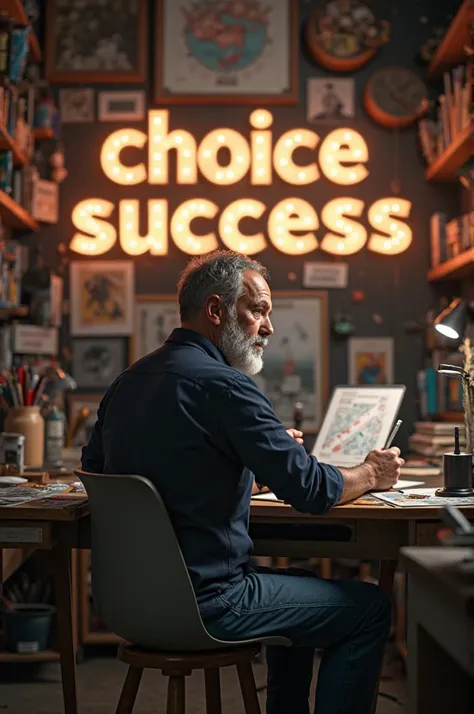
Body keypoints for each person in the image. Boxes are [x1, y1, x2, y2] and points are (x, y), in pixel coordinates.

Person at [82, 250, 403, 714]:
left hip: (127, 607)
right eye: (258, 311)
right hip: (213, 603)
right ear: (216, 311)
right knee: (369, 609)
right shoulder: (227, 386)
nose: (268, 328)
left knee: (299, 584)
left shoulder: (127, 382)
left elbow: (104, 471)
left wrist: (247, 466)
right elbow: (310, 490)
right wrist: (371, 473)